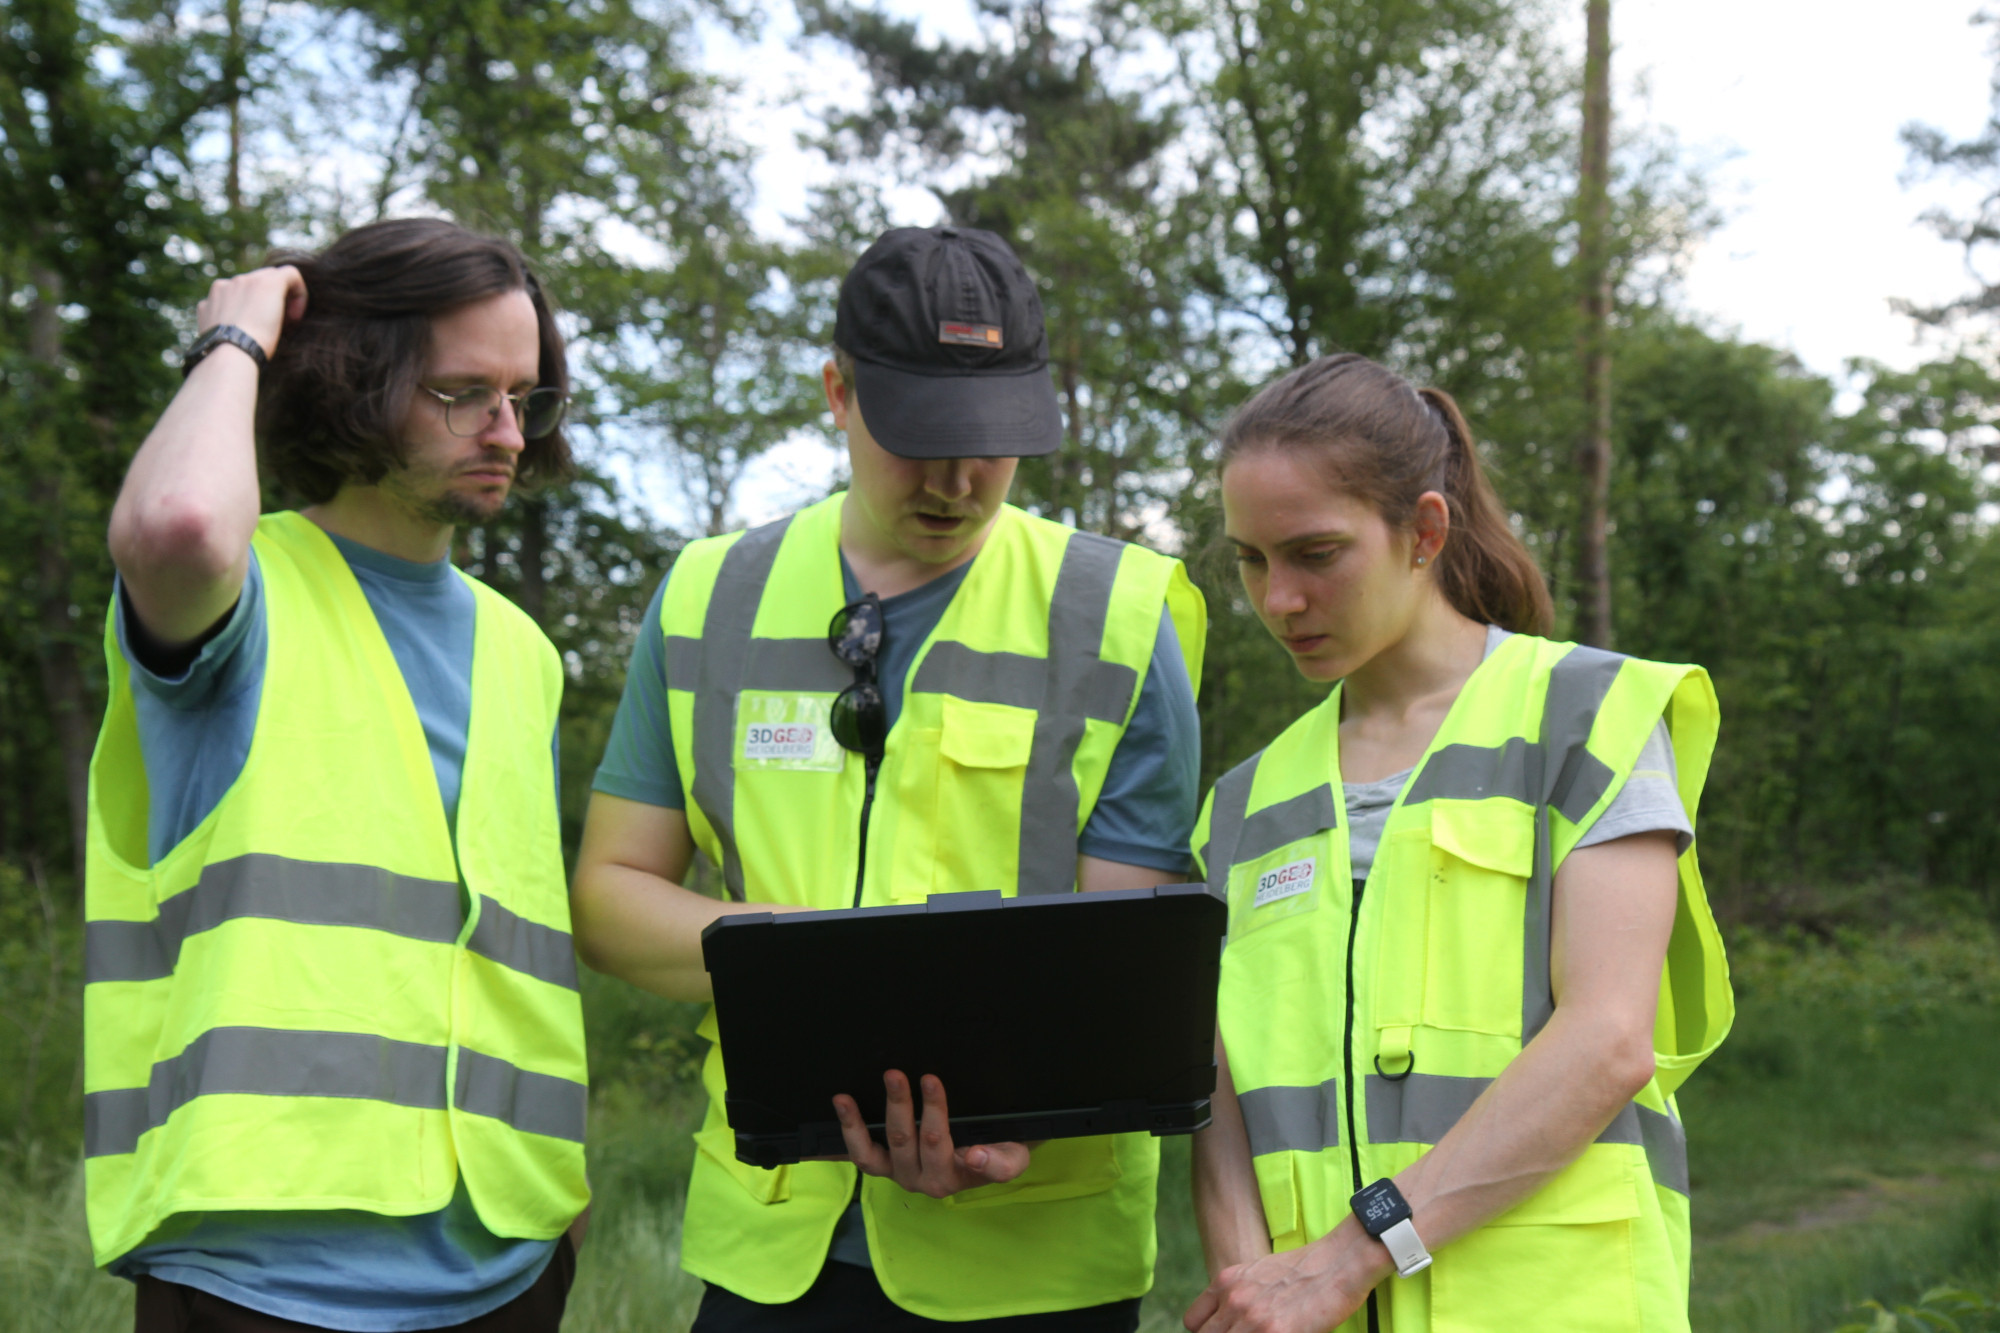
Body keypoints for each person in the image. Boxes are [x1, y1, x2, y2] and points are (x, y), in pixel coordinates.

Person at [571, 224, 1208, 1331]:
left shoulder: (1121, 613)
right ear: (836, 393)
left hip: (1036, 1263)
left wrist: (1020, 1108)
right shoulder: (705, 596)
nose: (958, 480)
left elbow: (1126, 961)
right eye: (920, 435)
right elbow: (612, 898)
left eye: (993, 441)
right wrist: (818, 975)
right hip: (775, 1250)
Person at [85, 218, 590, 1332]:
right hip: (262, 1277)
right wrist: (235, 341)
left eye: (525, 395)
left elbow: (511, 956)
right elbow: (171, 525)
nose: (506, 429)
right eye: (463, 392)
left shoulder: (522, 653)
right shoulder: (240, 592)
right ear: (358, 384)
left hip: (507, 1265)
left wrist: (555, 1195)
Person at [1181, 354, 1733, 1333]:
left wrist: (1349, 1257)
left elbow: (1608, 1041)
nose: (1276, 601)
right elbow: (1218, 1096)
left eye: (1314, 553)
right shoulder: (1240, 804)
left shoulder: (1586, 714)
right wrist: (1252, 1286)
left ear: (1423, 531)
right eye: (1251, 560)